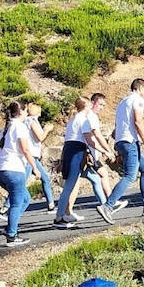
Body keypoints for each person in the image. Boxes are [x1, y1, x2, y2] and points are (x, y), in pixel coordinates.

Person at [55, 95, 115, 226]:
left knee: (94, 178)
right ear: (86, 106)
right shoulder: (84, 120)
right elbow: (89, 140)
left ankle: (106, 205)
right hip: (77, 151)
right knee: (69, 186)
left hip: (69, 150)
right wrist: (105, 151)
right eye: (89, 105)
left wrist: (61, 160)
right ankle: (59, 216)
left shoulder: (72, 120)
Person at [0, 100, 40, 247]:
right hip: (14, 170)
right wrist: (35, 167)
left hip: (1, 170)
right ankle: (11, 235)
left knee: (25, 198)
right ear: (20, 112)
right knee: (16, 203)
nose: (27, 113)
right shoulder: (19, 126)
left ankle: (10, 226)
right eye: (26, 111)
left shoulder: (6, 128)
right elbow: (25, 149)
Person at [107, 78, 144, 218]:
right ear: (139, 88)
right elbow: (138, 122)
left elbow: (117, 128)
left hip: (121, 141)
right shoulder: (138, 100)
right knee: (130, 175)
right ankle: (108, 206)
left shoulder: (122, 102)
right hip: (130, 141)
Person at [23, 101, 57, 212]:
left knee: (45, 178)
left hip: (34, 156)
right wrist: (47, 129)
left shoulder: (29, 121)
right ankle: (6, 207)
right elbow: (40, 137)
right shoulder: (31, 121)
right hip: (30, 156)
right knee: (22, 182)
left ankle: (51, 204)